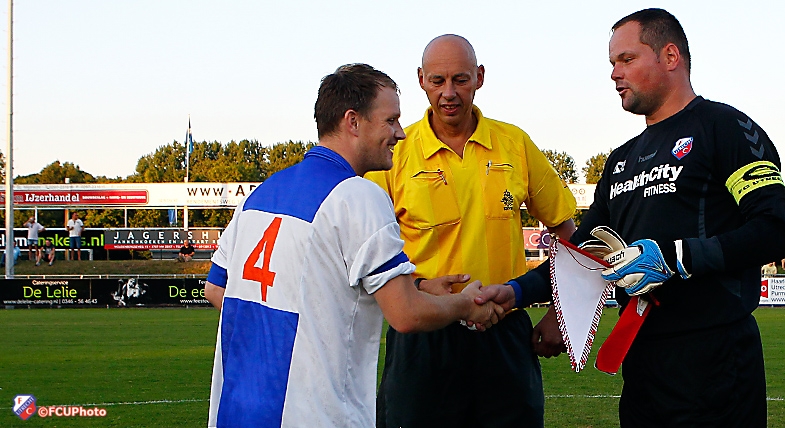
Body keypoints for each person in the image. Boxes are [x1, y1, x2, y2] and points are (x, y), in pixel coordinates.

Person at [477, 8, 785, 427]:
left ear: (670, 56)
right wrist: (514, 292)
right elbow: (580, 257)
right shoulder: (622, 160)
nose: (614, 74)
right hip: (642, 362)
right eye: (611, 63)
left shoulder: (725, 128)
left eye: (626, 59)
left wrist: (677, 258)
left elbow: (774, 225)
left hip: (716, 360)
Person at [203, 63, 504, 428]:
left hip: (235, 411)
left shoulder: (261, 193)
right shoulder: (359, 195)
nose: (400, 133)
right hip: (313, 416)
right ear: (353, 122)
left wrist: (420, 287)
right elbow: (405, 314)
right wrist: (464, 306)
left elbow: (218, 288)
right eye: (390, 120)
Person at [365, 35, 576, 428]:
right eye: (438, 80)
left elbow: (566, 229)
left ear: (479, 78)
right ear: (421, 79)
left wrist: (558, 311)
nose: (449, 93)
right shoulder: (395, 153)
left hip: (505, 331)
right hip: (425, 335)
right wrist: (420, 289)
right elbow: (368, 252)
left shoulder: (514, 144)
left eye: (460, 80)